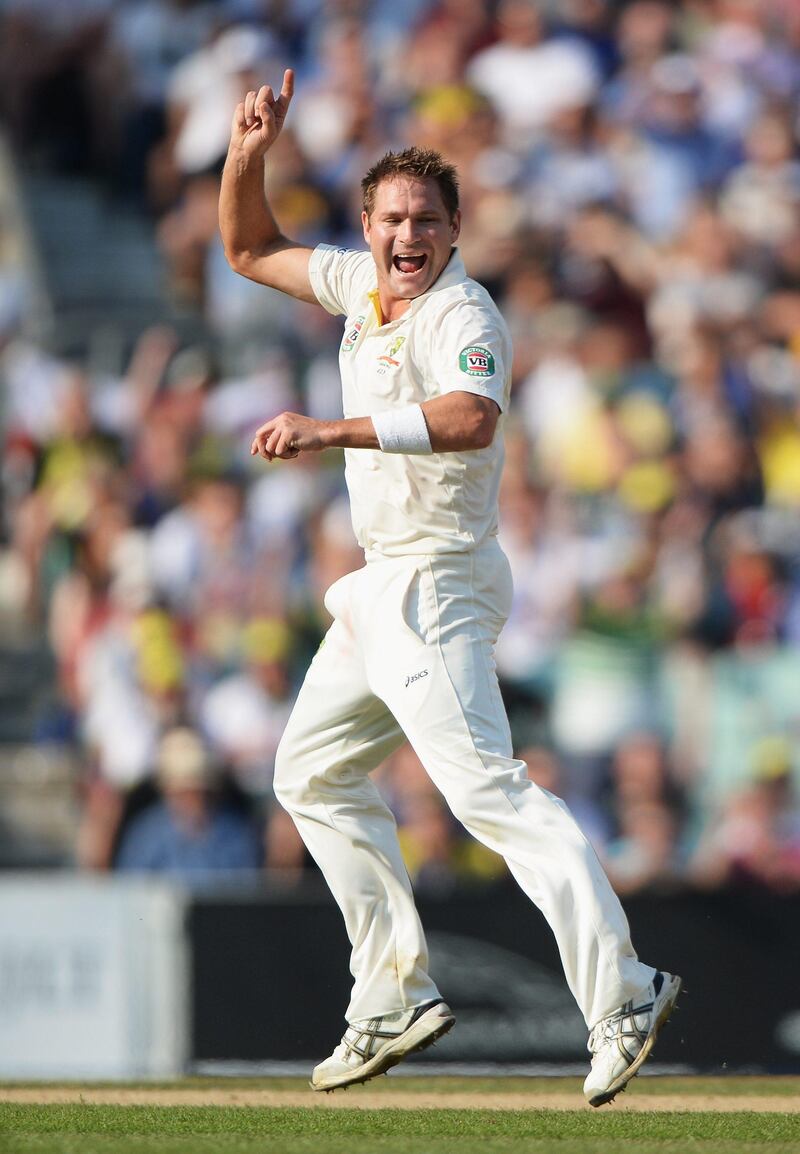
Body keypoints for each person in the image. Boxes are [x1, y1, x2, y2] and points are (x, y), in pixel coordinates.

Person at [219, 69, 681, 1105]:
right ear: (368, 226)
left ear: (454, 228)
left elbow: (470, 416)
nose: (407, 235)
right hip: (378, 589)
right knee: (311, 773)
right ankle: (391, 991)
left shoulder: (461, 310)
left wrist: (328, 429)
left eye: (426, 219)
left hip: (436, 583)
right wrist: (248, 154)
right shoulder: (356, 286)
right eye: (391, 218)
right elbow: (247, 248)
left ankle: (625, 988)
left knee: (486, 791)